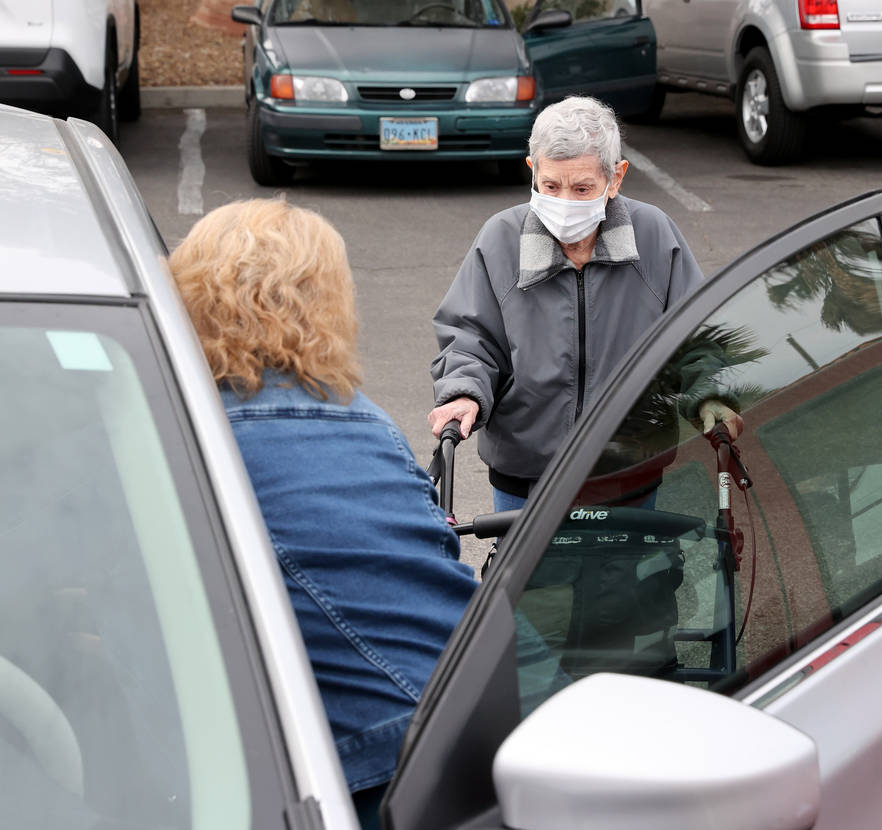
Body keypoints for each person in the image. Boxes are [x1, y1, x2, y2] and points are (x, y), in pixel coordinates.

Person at [168, 199, 477, 830]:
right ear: (328, 304)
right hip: (463, 723)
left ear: (188, 295)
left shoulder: (184, 431)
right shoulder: (361, 419)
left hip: (380, 767)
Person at [429, 95, 741, 511]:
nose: (565, 204)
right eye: (551, 186)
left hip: (629, 468)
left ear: (616, 178)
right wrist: (464, 391)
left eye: (582, 189)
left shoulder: (654, 236)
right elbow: (471, 338)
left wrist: (710, 393)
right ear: (532, 171)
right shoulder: (500, 239)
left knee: (630, 577)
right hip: (526, 473)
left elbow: (696, 337)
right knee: (531, 580)